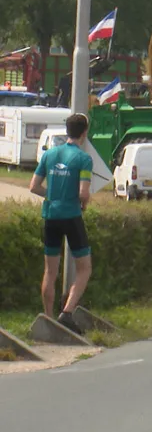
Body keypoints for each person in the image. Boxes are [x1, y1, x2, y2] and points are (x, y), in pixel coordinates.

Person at [28, 114, 93, 334]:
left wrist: (52, 195)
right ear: (84, 133)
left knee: (50, 270)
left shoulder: (50, 154)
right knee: (84, 268)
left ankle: (48, 317)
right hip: (72, 216)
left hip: (51, 215)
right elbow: (83, 192)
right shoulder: (83, 159)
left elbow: (33, 186)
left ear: (67, 131)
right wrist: (84, 201)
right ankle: (66, 312)